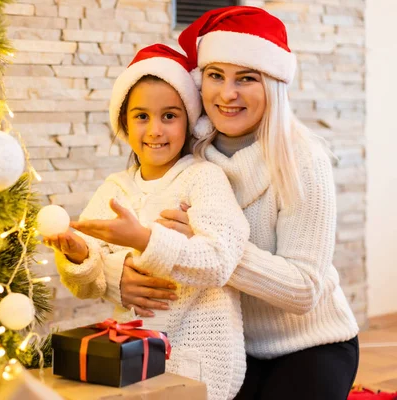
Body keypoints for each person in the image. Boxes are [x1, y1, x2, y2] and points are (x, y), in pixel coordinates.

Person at [103, 6, 360, 400]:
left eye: (246, 78)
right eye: (215, 76)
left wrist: (209, 251)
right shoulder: (185, 151)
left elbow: (304, 289)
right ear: (199, 81)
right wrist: (115, 273)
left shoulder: (303, 160)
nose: (227, 93)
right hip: (222, 345)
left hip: (310, 342)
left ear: (273, 84)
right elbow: (131, 220)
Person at [43, 43, 251, 400]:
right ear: (124, 123)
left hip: (200, 357)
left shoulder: (204, 179)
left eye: (169, 116)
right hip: (132, 359)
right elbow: (89, 282)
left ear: (190, 122)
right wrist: (80, 255)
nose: (155, 129)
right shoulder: (115, 188)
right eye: (142, 116)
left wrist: (143, 239)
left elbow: (219, 261)